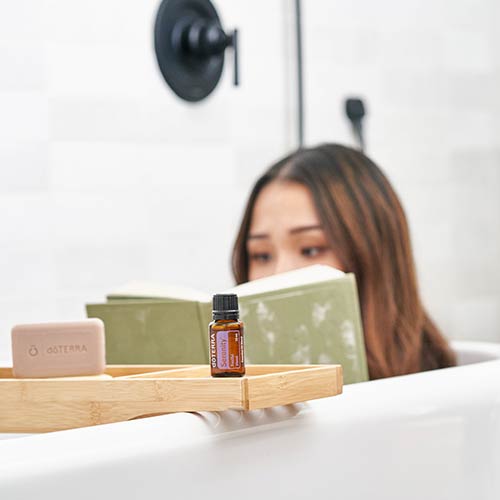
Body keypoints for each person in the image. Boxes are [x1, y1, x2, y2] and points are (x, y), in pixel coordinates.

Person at [231, 143, 456, 379]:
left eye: (310, 250)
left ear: (373, 256)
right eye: (262, 256)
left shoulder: (447, 389)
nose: (280, 274)